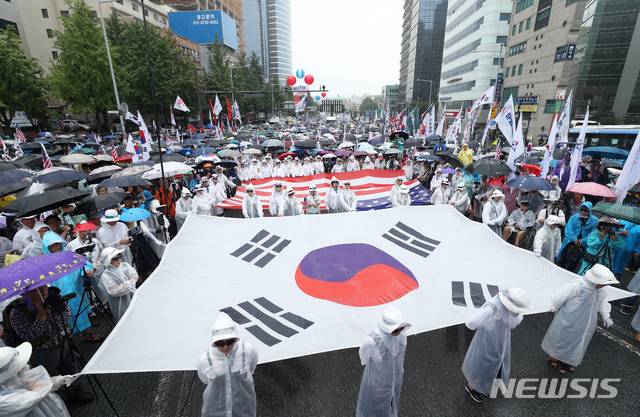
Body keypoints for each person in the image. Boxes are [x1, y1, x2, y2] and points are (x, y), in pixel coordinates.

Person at [8, 285, 94, 404]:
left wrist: (55, 308)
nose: (43, 290)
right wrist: (42, 316)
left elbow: (67, 316)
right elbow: (28, 337)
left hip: (63, 341)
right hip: (43, 350)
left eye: (43, 286)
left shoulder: (53, 298)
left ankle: (75, 392)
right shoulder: (17, 312)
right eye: (35, 289)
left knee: (71, 367)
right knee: (49, 376)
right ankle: (58, 401)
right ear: (24, 294)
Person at [542, 264, 618, 373]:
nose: (604, 286)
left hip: (585, 321)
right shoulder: (578, 285)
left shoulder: (600, 290)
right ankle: (553, 359)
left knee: (576, 340)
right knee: (563, 338)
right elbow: (560, 296)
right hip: (570, 318)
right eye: (603, 283)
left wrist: (606, 314)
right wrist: (555, 305)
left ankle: (565, 359)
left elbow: (603, 301)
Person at [462, 288, 532, 402]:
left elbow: (512, 323)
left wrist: (514, 315)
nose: (518, 312)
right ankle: (472, 386)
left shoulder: (508, 309)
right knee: (481, 364)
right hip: (486, 342)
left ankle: (482, 386)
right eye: (517, 310)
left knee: (492, 366)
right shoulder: (492, 308)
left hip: (500, 341)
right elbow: (471, 323)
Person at [196, 312, 258, 417]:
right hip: (215, 412)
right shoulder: (204, 360)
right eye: (220, 343)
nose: (225, 347)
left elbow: (251, 368)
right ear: (214, 342)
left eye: (230, 342)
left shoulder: (247, 350)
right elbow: (205, 379)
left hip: (244, 410)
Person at [356, 306, 410, 417]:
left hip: (395, 382)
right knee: (374, 410)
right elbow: (363, 359)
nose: (399, 332)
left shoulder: (402, 335)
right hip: (377, 386)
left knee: (391, 406)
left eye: (401, 328)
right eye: (396, 330)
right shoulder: (371, 341)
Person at [0, 342, 74, 416]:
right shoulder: (3, 402)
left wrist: (56, 380)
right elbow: (37, 395)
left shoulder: (10, 377)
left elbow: (33, 384)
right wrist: (24, 372)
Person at [98, 248, 138, 323]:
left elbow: (134, 275)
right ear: (108, 260)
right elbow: (113, 291)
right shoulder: (106, 275)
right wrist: (128, 284)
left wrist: (131, 281)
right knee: (124, 320)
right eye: (116, 258)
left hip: (132, 296)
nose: (119, 260)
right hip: (120, 303)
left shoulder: (125, 265)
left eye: (120, 257)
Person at [557, 201, 598, 267]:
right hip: (570, 241)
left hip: (583, 244)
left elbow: (593, 233)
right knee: (563, 259)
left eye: (586, 210)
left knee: (575, 262)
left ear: (590, 211)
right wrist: (575, 240)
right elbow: (569, 230)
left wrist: (582, 241)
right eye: (582, 210)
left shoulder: (594, 220)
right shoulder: (574, 217)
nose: (583, 212)